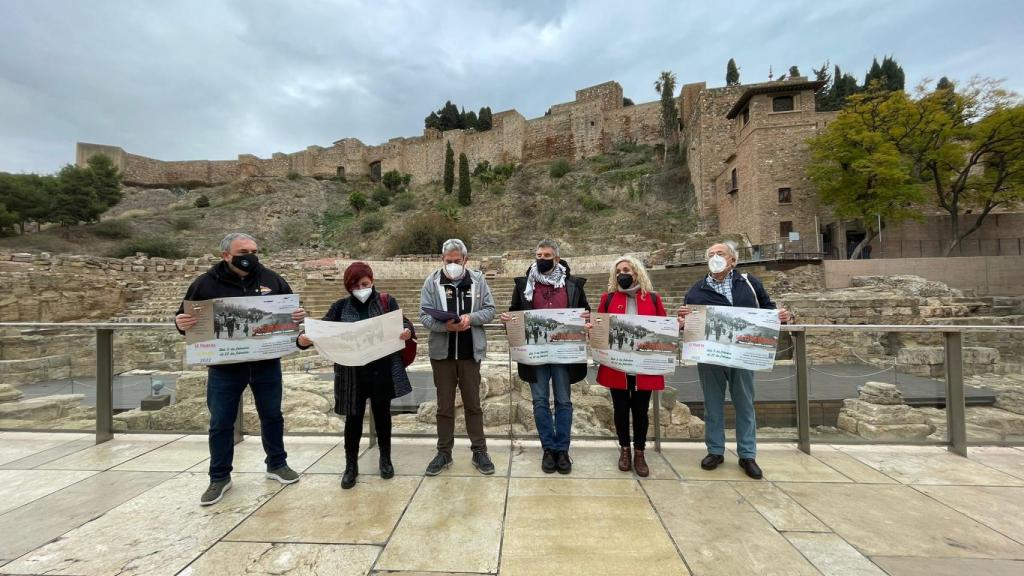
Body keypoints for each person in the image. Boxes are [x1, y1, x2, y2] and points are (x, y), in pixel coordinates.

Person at [174, 232, 306, 506]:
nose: (251, 256)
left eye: (254, 250)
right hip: (225, 367)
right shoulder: (205, 284)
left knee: (272, 415)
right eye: (244, 251)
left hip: (266, 364)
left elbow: (291, 310)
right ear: (226, 255)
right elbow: (183, 318)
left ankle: (277, 465)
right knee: (221, 421)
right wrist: (180, 323)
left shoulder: (272, 279)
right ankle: (219, 477)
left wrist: (296, 315)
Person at [677, 241, 792, 480]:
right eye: (711, 254)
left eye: (720, 253)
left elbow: (769, 309)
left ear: (733, 260)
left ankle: (747, 455)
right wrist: (681, 322)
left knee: (745, 404)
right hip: (711, 357)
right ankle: (715, 450)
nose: (715, 257)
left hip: (743, 355)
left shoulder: (749, 284)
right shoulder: (696, 289)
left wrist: (781, 315)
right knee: (712, 403)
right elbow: (689, 323)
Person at [297, 262, 414, 489]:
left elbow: (405, 323)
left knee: (382, 416)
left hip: (381, 370)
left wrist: (408, 331)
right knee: (353, 420)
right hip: (351, 374)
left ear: (372, 282)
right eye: (355, 285)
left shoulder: (386, 301)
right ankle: (351, 465)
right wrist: (302, 340)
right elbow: (320, 331)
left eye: (364, 284)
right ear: (348, 286)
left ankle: (385, 459)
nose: (360, 288)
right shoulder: (340, 307)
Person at [500, 239, 590, 474]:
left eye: (547, 255)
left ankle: (563, 450)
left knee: (564, 402)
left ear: (557, 258)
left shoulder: (572, 286)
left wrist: (586, 322)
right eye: (538, 255)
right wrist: (508, 322)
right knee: (540, 402)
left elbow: (584, 312)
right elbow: (514, 313)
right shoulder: (523, 286)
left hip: (563, 354)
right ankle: (548, 449)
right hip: (536, 354)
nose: (542, 259)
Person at [418, 238, 497, 475]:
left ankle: (479, 451)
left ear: (466, 260)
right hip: (442, 355)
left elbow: (490, 310)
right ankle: (444, 453)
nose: (452, 265)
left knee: (473, 404)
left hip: (469, 354)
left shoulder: (478, 280)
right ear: (442, 259)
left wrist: (469, 319)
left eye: (457, 261)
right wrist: (446, 327)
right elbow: (424, 316)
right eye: (448, 261)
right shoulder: (432, 282)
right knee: (444, 407)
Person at [591, 256, 667, 477]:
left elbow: (663, 326)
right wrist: (591, 326)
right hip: (618, 365)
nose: (622, 274)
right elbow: (600, 329)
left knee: (641, 411)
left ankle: (640, 452)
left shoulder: (652, 299)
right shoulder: (608, 298)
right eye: (618, 271)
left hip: (644, 366)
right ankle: (624, 449)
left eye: (626, 270)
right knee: (621, 410)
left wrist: (677, 325)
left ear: (637, 273)